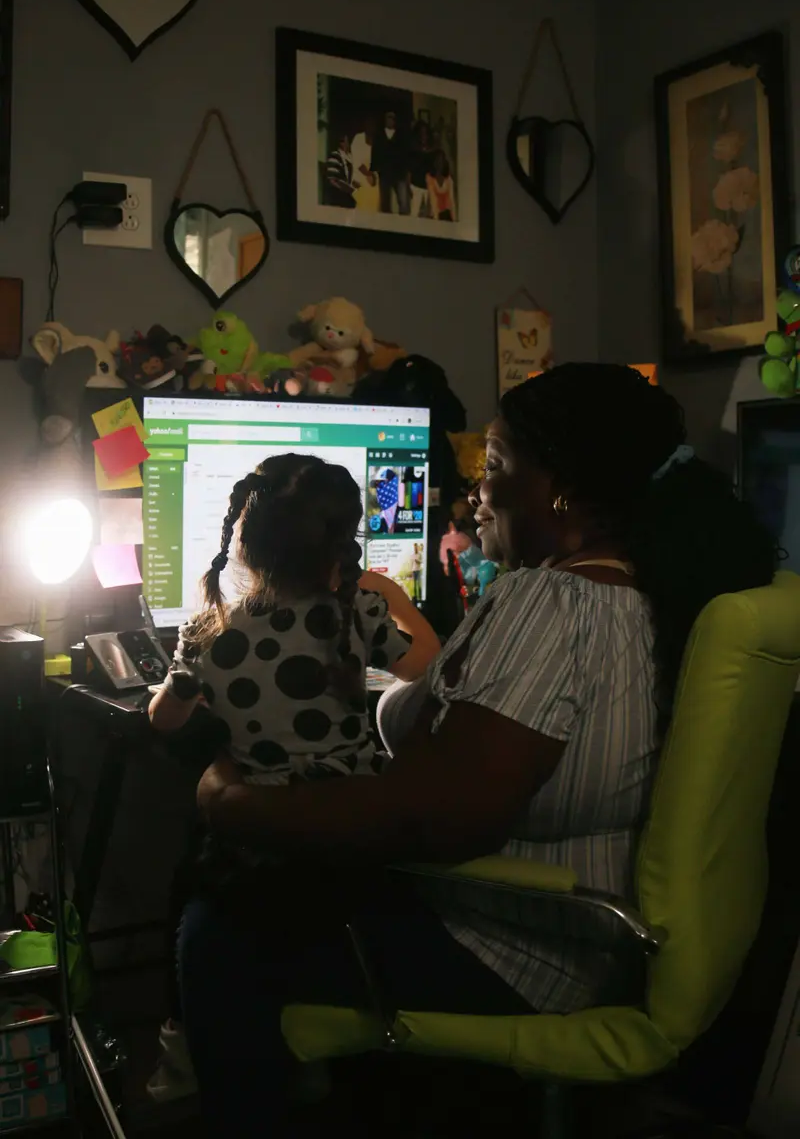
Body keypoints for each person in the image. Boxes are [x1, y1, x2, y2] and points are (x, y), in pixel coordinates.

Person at [179, 365, 778, 1135]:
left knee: (216, 928)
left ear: (557, 487)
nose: (477, 494)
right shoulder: (645, 591)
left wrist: (236, 805)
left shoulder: (553, 601)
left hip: (515, 945)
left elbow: (441, 821)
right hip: (594, 930)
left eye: (494, 467)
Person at [148, 453, 440, 1101]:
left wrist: (180, 689)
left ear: (244, 542)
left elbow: (165, 722)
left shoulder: (205, 628)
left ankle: (193, 1051)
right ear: (342, 544)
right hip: (356, 831)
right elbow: (431, 666)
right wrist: (389, 597)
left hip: (260, 839)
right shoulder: (358, 613)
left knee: (200, 887)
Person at [371, 110, 410, 215]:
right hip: (384, 173)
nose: (390, 120)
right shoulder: (379, 135)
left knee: (403, 202)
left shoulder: (400, 135)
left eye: (392, 118)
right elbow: (375, 153)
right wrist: (374, 170)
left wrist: (405, 171)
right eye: (388, 117)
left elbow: (405, 154)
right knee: (385, 203)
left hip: (399, 173)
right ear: (385, 119)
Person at [350, 122, 380, 212]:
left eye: (373, 126)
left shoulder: (378, 141)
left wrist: (374, 176)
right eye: (369, 125)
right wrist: (368, 174)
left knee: (374, 207)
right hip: (359, 178)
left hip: (374, 180)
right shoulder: (358, 139)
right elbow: (357, 160)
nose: (371, 128)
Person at [408, 120, 435, 217]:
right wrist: (409, 184)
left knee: (430, 215)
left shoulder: (432, 151)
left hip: (429, 187)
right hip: (416, 186)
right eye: (421, 133)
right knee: (414, 213)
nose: (424, 136)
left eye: (425, 133)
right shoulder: (414, 150)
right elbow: (410, 169)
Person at [324, 134, 356, 209]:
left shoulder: (350, 158)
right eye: (347, 142)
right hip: (337, 199)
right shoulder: (335, 156)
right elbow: (332, 180)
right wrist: (348, 189)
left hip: (347, 200)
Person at [427, 150, 457, 221]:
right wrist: (436, 219)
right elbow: (433, 200)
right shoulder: (430, 178)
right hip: (435, 213)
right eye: (437, 161)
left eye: (441, 161)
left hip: (446, 211)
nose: (439, 164)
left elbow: (451, 200)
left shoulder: (448, 179)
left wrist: (454, 219)